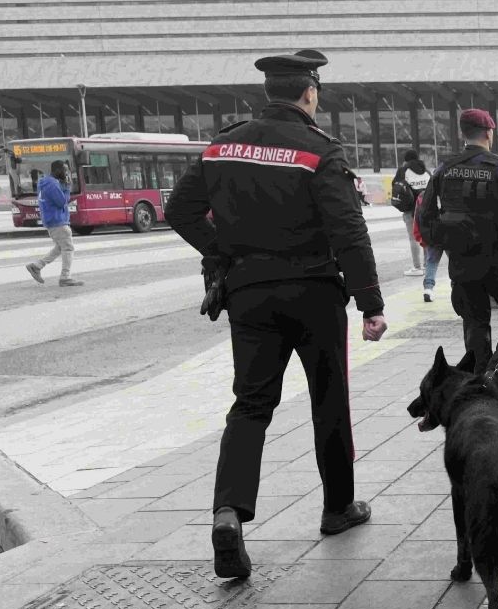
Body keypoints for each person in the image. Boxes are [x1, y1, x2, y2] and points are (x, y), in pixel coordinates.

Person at [166, 49, 387, 580]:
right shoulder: (319, 151)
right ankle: (338, 509)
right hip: (314, 293)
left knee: (250, 405)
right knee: (328, 400)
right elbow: (348, 231)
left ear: (268, 93)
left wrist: (222, 251)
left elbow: (179, 210)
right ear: (310, 93)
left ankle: (228, 513)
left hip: (249, 293)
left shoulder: (222, 147)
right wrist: (370, 303)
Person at [417, 108, 498, 381]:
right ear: (489, 132)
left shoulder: (444, 170)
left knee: (474, 324)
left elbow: (425, 217)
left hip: (462, 263)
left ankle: (478, 380)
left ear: (463, 133)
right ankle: (493, 378)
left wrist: (449, 239)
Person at [24, 160, 83, 287]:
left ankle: (36, 266)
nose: (66, 173)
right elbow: (62, 202)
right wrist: (67, 187)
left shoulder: (45, 182)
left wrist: (63, 186)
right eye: (64, 170)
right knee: (68, 248)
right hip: (58, 221)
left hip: (51, 220)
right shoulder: (52, 184)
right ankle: (65, 277)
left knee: (60, 248)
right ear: (57, 170)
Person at [391, 150, 428, 276]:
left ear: (406, 160)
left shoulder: (403, 170)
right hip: (425, 209)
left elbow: (395, 186)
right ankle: (427, 265)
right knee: (425, 237)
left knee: (413, 239)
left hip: (410, 209)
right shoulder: (426, 171)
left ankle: (417, 267)